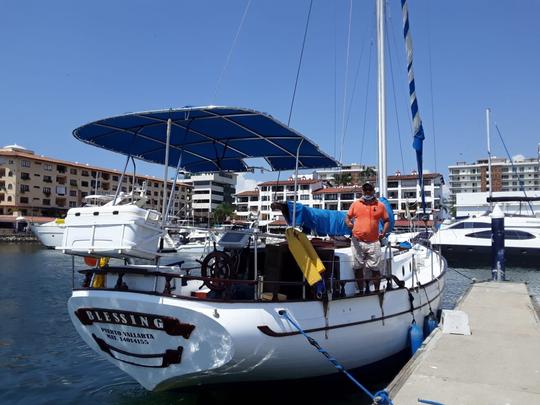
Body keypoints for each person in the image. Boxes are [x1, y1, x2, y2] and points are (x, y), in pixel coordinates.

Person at [345, 182, 389, 293]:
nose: (368, 192)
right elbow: (347, 218)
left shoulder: (380, 206)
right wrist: (349, 223)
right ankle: (360, 291)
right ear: (362, 191)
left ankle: (377, 291)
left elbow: (386, 220)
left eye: (370, 190)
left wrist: (383, 232)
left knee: (375, 268)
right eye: (366, 190)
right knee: (358, 267)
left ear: (373, 191)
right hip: (357, 240)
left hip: (374, 241)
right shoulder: (355, 204)